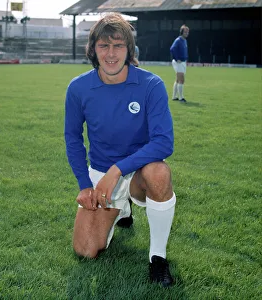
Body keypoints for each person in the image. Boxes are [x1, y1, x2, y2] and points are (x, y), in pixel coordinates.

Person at [64, 12, 176, 287]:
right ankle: (121, 211)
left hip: (137, 174)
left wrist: (117, 170)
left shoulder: (151, 85)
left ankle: (157, 258)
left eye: (118, 45)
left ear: (129, 50)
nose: (111, 53)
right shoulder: (78, 88)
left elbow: (164, 142)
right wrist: (84, 184)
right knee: (86, 249)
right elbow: (73, 138)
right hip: (100, 175)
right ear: (93, 49)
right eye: (104, 45)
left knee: (159, 173)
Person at [170, 24, 189, 103]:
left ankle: (174, 97)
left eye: (187, 32)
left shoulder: (184, 41)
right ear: (181, 32)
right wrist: (176, 58)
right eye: (185, 32)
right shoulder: (178, 40)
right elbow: (172, 49)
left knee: (178, 80)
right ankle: (181, 98)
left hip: (183, 62)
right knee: (182, 79)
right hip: (179, 62)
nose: (187, 33)